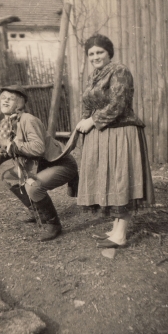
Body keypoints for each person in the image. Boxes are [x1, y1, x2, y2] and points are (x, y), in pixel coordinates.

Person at [76, 34, 155, 248]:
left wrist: (92, 121)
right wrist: (83, 120)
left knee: (121, 179)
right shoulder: (95, 75)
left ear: (109, 52)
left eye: (99, 52)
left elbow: (117, 104)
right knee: (111, 178)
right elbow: (89, 102)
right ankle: (116, 228)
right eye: (91, 53)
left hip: (121, 133)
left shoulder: (120, 71)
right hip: (104, 134)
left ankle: (120, 235)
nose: (95, 56)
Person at [0, 85, 78, 242]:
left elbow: (37, 149)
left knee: (32, 186)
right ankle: (38, 213)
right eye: (3, 98)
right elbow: (13, 146)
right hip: (43, 164)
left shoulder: (28, 120)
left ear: (20, 103)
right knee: (10, 177)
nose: (5, 100)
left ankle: (53, 225)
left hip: (60, 164)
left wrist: (3, 141)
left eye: (11, 98)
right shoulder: (7, 123)